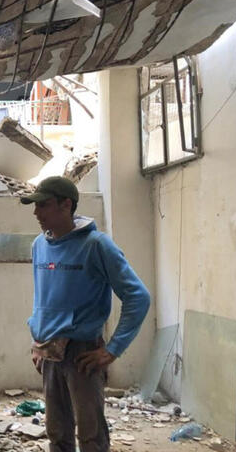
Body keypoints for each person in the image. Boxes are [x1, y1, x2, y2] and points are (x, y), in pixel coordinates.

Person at [20, 176, 151, 452]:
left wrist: (113, 349)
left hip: (83, 353)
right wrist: (37, 339)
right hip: (49, 351)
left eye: (43, 205)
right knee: (57, 432)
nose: (36, 213)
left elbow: (138, 297)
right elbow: (42, 297)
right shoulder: (39, 246)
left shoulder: (96, 245)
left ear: (66, 205)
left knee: (90, 435)